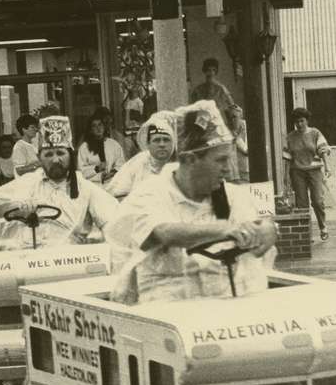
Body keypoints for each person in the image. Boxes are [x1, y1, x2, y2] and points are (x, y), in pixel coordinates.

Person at [105, 100, 277, 305]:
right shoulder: (151, 192)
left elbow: (256, 225)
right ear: (189, 160)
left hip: (224, 303)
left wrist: (267, 231)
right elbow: (165, 232)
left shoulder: (230, 195)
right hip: (166, 307)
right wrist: (225, 230)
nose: (228, 170)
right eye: (220, 160)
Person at [0, 115, 118, 247]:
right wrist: (18, 209)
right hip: (34, 258)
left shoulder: (84, 187)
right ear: (39, 158)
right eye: (49, 154)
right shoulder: (30, 182)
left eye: (60, 153)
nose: (55, 160)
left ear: (70, 156)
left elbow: (112, 219)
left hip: (73, 257)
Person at [283, 107, 331, 240]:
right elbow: (287, 158)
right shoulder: (290, 137)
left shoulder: (315, 133)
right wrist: (286, 176)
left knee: (317, 200)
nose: (299, 124)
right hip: (297, 172)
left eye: (302, 121)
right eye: (296, 122)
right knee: (302, 203)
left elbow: (322, 150)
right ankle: (306, 232)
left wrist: (327, 167)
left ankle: (323, 226)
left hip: (314, 170)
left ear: (306, 120)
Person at [107, 110, 177, 199]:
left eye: (166, 140)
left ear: (173, 143)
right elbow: (117, 194)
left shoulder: (181, 164)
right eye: (156, 140)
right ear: (148, 144)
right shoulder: (139, 162)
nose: (162, 144)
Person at [77, 111, 126, 185]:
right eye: (94, 126)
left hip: (113, 182)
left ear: (104, 127)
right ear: (90, 130)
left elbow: (121, 163)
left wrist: (113, 172)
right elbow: (81, 171)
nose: (98, 128)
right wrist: (96, 169)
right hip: (93, 185)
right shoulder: (84, 148)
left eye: (100, 125)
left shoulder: (114, 144)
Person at [190, 58, 236, 128]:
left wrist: (232, 125)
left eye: (213, 70)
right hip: (202, 124)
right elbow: (192, 109)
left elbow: (232, 107)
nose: (211, 73)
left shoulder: (221, 89)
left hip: (218, 124)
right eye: (208, 70)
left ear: (216, 72)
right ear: (204, 71)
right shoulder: (197, 90)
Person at [11, 114, 41, 178]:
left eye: (36, 127)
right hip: (26, 184)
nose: (36, 129)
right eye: (32, 127)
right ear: (24, 129)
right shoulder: (19, 146)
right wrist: (37, 165)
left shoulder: (34, 144)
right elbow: (19, 170)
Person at [227, 104, 250, 183]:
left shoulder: (248, 128)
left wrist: (237, 139)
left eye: (234, 117)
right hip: (235, 174)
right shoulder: (228, 131)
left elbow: (247, 151)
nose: (232, 120)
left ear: (241, 116)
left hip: (248, 171)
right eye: (229, 118)